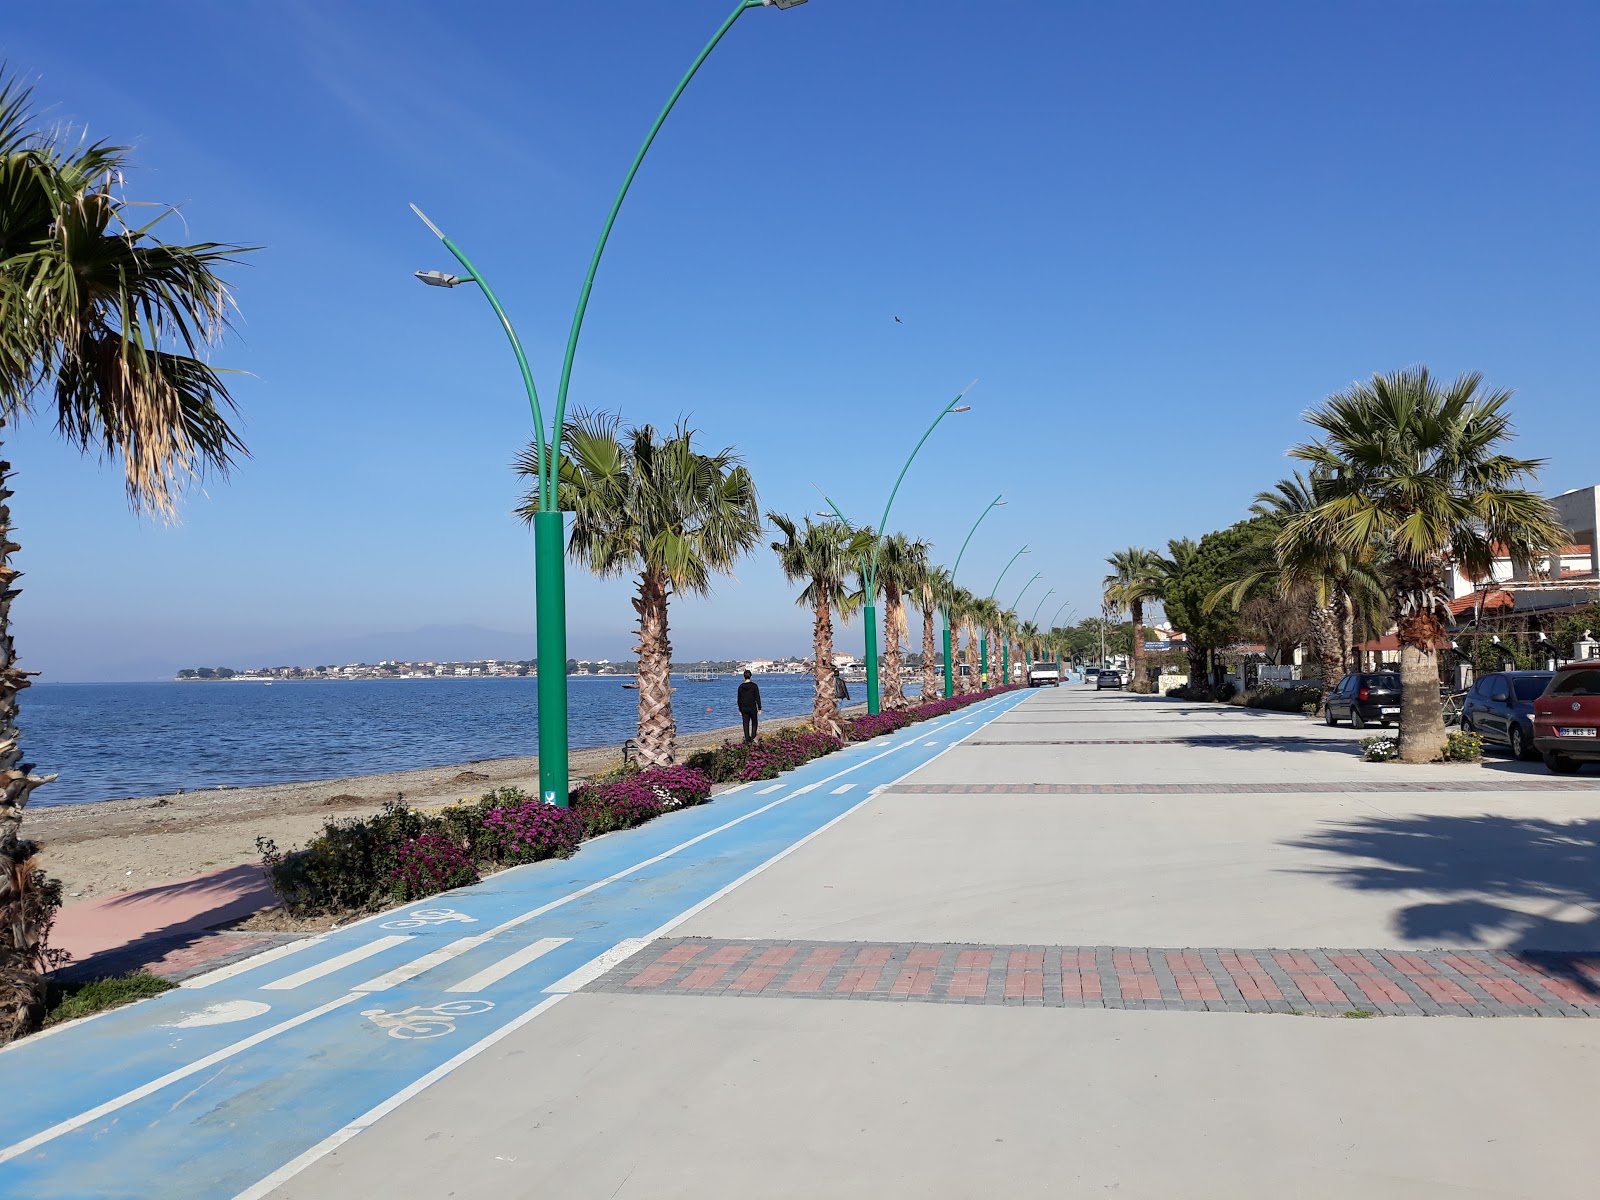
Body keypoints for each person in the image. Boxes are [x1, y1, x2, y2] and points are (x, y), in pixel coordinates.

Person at [737, 670, 762, 744]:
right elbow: (757, 697)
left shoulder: (740, 687)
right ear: (751, 677)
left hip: (744, 707)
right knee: (754, 722)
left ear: (744, 677)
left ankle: (747, 739)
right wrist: (759, 708)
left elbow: (739, 699)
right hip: (752, 707)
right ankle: (753, 737)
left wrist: (740, 709)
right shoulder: (754, 686)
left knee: (745, 723)